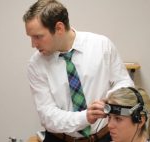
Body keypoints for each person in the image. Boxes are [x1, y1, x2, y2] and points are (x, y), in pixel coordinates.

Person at [23, 0, 134, 142]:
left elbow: (124, 82)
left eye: (38, 36)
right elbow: (48, 116)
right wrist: (85, 117)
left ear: (59, 28)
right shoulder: (36, 64)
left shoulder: (101, 46)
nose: (33, 44)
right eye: (31, 37)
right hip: (59, 139)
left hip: (103, 137)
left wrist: (109, 100)